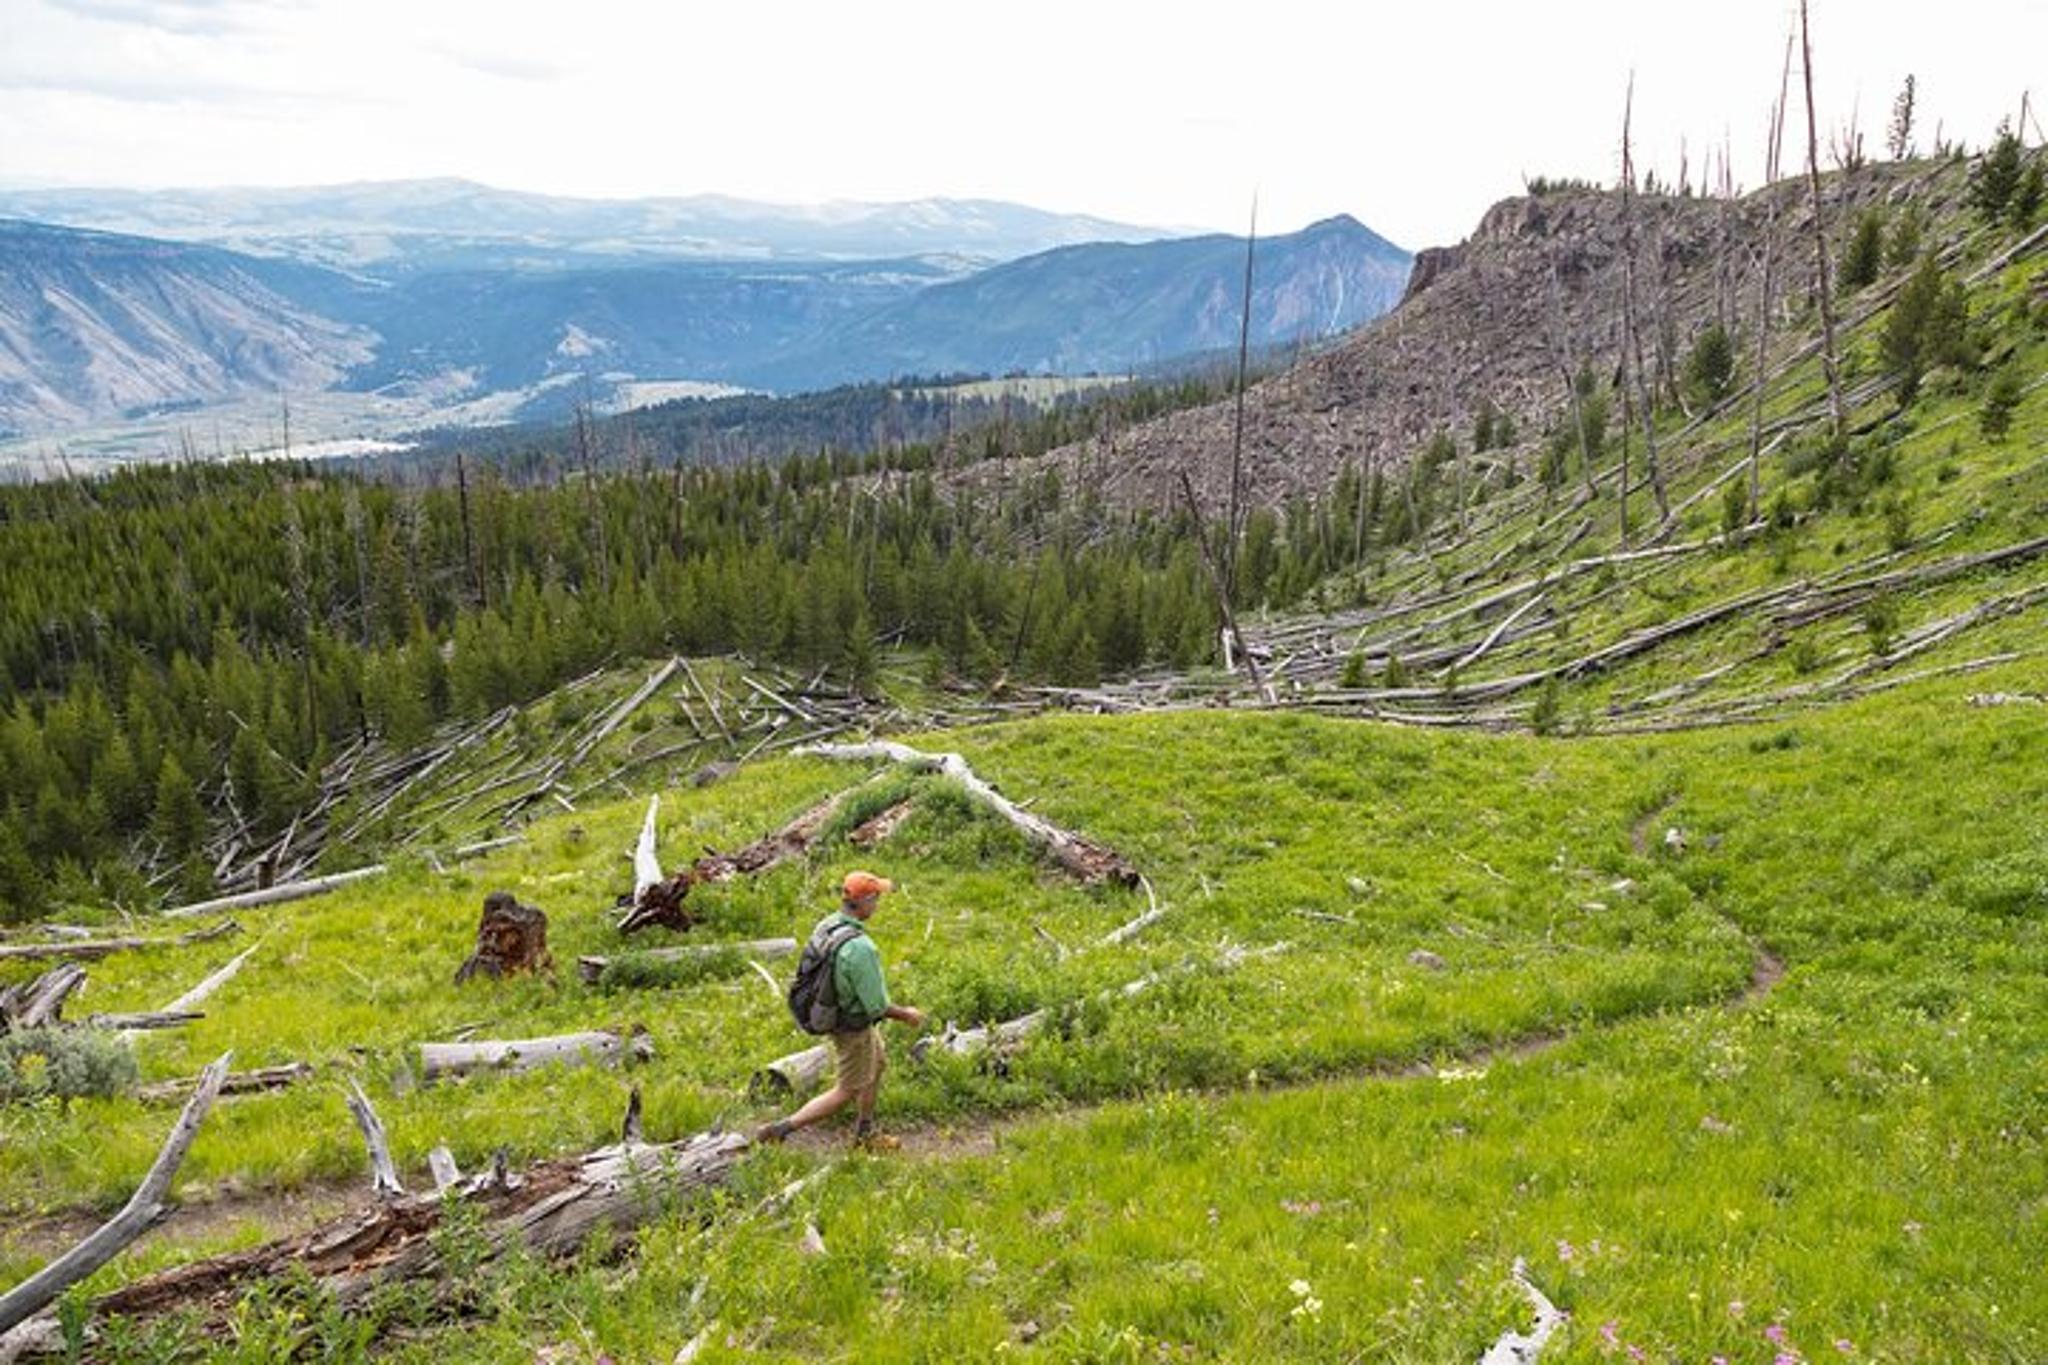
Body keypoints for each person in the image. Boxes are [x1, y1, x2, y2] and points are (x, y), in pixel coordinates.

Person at [755, 869, 924, 1149]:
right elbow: (876, 1006)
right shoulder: (860, 949)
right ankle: (782, 1129)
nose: (878, 904)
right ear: (866, 901)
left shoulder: (828, 924)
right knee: (846, 1090)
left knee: (877, 1063)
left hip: (831, 1012)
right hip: (851, 1026)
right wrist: (907, 1015)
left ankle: (865, 1131)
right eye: (876, 898)